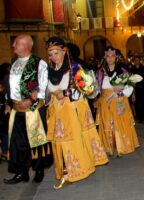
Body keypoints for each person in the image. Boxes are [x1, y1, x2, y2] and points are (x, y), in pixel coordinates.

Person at [45, 37, 108, 189]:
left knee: (73, 140)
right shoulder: (50, 71)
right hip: (57, 111)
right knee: (60, 141)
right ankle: (66, 170)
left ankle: (76, 170)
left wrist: (66, 93)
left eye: (57, 53)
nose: (54, 57)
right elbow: (47, 91)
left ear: (64, 51)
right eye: (51, 54)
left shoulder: (74, 68)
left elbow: (90, 89)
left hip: (72, 110)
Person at [3, 35, 51, 184]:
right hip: (16, 110)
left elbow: (44, 85)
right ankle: (21, 172)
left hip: (33, 110)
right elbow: (11, 86)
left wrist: (31, 100)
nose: (13, 45)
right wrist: (8, 103)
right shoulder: (14, 62)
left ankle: (39, 170)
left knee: (36, 141)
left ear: (25, 45)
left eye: (16, 43)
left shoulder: (39, 63)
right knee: (17, 142)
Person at [95, 47, 140, 156]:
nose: (110, 58)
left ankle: (122, 145)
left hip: (120, 99)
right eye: (108, 56)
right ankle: (109, 146)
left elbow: (130, 84)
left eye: (112, 56)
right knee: (107, 122)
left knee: (120, 122)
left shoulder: (123, 70)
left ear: (116, 57)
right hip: (106, 102)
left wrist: (122, 89)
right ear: (105, 58)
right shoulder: (100, 72)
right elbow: (97, 88)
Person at [129, 56, 144, 123]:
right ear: (134, 61)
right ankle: (138, 115)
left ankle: (142, 116)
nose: (137, 61)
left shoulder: (143, 68)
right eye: (135, 60)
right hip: (135, 88)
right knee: (136, 103)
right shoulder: (132, 69)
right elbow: (129, 78)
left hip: (142, 87)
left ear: (139, 61)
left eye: (138, 60)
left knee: (143, 102)